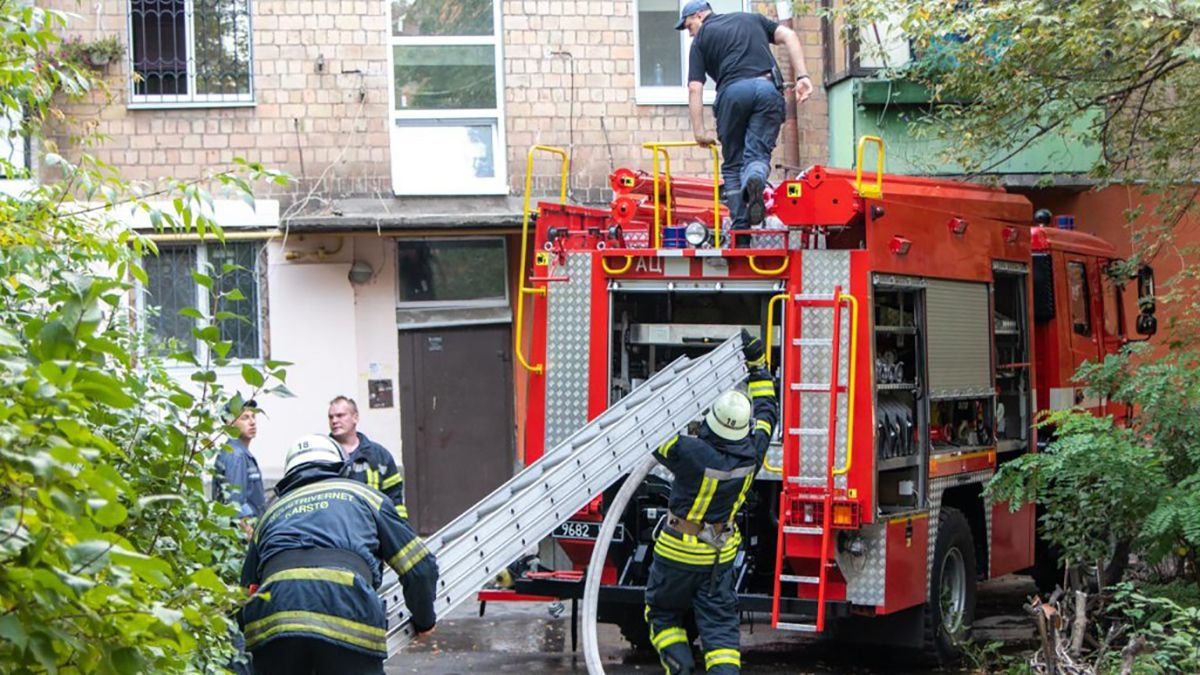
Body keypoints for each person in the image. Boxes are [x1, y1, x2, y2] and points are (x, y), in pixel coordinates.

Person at [240, 434, 438, 675]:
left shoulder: (269, 515)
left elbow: (244, 593)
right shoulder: (366, 497)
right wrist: (424, 620)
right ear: (340, 464)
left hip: (273, 622)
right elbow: (419, 566)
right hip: (346, 612)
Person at [644, 330, 779, 674]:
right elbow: (767, 413)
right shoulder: (754, 453)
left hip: (676, 551)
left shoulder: (690, 453)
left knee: (662, 613)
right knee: (720, 631)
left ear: (711, 422)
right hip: (719, 555)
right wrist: (758, 368)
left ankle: (682, 667)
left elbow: (654, 435)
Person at [677, 1, 812, 233]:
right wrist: (803, 76)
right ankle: (756, 177)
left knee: (732, 165)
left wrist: (699, 132)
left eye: (689, 26)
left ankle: (740, 230)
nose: (689, 34)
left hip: (732, 95)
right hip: (767, 89)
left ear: (699, 16)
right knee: (757, 156)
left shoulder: (700, 41)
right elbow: (789, 35)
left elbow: (694, 88)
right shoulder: (752, 19)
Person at [328, 396, 408, 521]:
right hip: (335, 529)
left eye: (340, 415)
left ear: (355, 418)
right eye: (331, 417)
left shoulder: (380, 455)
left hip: (372, 529)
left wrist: (401, 529)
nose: (334, 421)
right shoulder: (323, 454)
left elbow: (394, 498)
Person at [213, 398, 267, 539]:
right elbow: (236, 506)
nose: (252, 422)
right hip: (241, 540)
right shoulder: (236, 456)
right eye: (245, 418)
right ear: (229, 422)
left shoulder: (239, 453)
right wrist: (253, 540)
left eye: (253, 417)